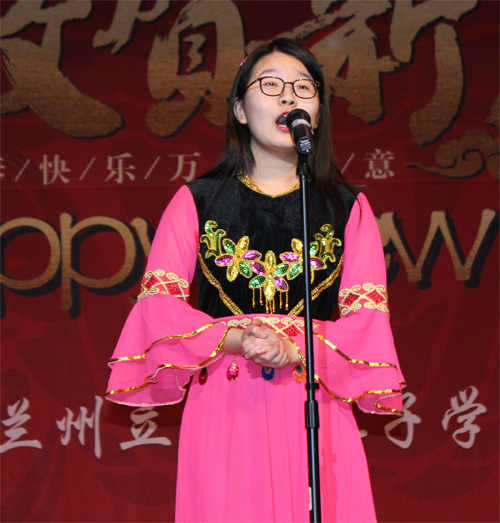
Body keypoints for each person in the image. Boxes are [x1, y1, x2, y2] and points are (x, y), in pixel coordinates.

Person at [106, 38, 405, 523]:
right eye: (271, 85)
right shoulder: (196, 200)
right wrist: (237, 337)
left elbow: (367, 319)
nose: (289, 98)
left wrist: (298, 348)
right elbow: (157, 306)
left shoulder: (347, 207)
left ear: (318, 114)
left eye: (303, 87)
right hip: (227, 396)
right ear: (241, 110)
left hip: (313, 396)